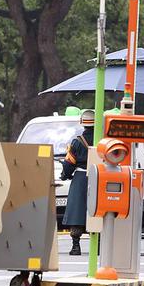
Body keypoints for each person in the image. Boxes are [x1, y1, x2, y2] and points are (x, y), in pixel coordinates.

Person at [60, 109, 94, 256]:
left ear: (83, 123)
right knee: (98, 210)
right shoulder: (104, 140)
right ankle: (98, 245)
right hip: (100, 176)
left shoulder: (77, 142)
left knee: (77, 211)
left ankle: (76, 246)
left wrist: (65, 175)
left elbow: (69, 163)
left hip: (80, 178)